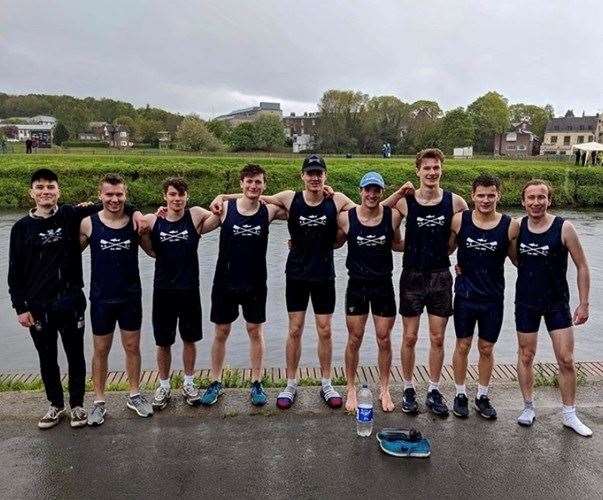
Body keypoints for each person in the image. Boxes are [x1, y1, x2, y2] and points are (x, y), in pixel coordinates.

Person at [210, 154, 356, 409]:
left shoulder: (338, 199)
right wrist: (222, 197)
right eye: (310, 173)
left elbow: (363, 216)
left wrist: (340, 239)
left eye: (319, 173)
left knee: (325, 330)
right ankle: (290, 383)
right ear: (303, 176)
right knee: (295, 330)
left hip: (324, 275)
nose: (315, 177)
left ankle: (326, 383)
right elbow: (254, 196)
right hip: (296, 275)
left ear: (325, 176)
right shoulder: (290, 198)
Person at [8, 168, 144, 429]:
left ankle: (79, 405)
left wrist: (136, 212)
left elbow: (113, 201)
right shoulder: (21, 228)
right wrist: (20, 306)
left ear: (58, 191)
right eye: (40, 187)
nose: (45, 192)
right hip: (38, 304)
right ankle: (55, 406)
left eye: (50, 187)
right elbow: (14, 271)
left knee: (76, 355)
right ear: (32, 193)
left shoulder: (72, 214)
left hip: (71, 299)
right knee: (46, 356)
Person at [382, 148, 468, 417]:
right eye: (427, 168)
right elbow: (378, 217)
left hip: (441, 276)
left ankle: (432, 389)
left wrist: (457, 254)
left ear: (442, 170)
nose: (432, 172)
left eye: (436, 168)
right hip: (412, 276)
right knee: (409, 336)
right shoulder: (406, 202)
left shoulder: (456, 203)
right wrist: (397, 195)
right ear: (417, 171)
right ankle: (408, 388)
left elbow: (468, 232)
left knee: (438, 337)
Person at [200, 164, 287, 407]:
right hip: (225, 281)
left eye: (258, 182)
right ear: (241, 183)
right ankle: (216, 381)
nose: (253, 186)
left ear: (264, 185)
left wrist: (327, 191)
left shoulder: (268, 212)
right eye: (249, 181)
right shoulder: (225, 210)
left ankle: (256, 382)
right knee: (221, 332)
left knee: (255, 332)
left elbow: (295, 205)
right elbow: (197, 227)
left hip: (255, 282)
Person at [512, 179, 592, 436]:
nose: (536, 202)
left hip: (557, 302)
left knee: (566, 359)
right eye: (531, 198)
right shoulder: (517, 227)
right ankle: (528, 407)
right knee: (526, 356)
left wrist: (584, 302)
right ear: (523, 201)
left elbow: (582, 265)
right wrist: (462, 267)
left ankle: (569, 414)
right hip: (526, 302)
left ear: (549, 200)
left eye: (541, 197)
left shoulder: (564, 228)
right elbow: (498, 254)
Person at [80, 174, 152, 425]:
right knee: (101, 350)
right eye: (109, 194)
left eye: (119, 194)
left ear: (126, 195)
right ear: (101, 196)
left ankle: (134, 394)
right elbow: (66, 254)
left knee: (132, 347)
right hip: (102, 298)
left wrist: (150, 226)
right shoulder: (88, 224)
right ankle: (99, 401)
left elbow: (153, 252)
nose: (114, 199)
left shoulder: (135, 222)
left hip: (130, 296)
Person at [140, 177, 216, 409]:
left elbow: (220, 214)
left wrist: (220, 199)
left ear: (187, 197)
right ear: (165, 196)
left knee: (189, 339)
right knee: (163, 341)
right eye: (172, 194)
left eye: (181, 194)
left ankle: (189, 382)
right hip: (164, 289)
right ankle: (163, 385)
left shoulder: (194, 216)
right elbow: (141, 235)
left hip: (189, 289)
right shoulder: (153, 220)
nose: (177, 199)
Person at [449, 174, 519, 419]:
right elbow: (445, 249)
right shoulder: (459, 221)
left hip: (492, 297)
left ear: (499, 195)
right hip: (466, 296)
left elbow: (518, 260)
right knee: (463, 345)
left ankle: (482, 395)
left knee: (486, 348)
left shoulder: (510, 225)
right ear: (473, 196)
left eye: (491, 195)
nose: (486, 200)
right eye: (481, 195)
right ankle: (459, 394)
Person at [336, 172, 403, 412]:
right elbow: (330, 241)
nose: (372, 194)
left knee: (384, 339)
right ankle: (351, 388)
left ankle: (384, 389)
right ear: (360, 191)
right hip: (357, 286)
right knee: (354, 338)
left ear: (382, 193)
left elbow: (398, 244)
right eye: (368, 189)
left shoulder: (393, 217)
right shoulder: (346, 218)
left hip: (383, 285)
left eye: (376, 190)